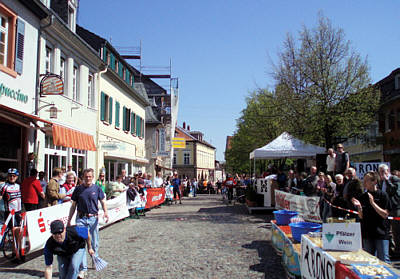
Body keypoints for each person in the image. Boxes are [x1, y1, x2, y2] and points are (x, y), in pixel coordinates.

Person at [67, 168, 109, 278]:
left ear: (93, 177)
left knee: (94, 242)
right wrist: (69, 219)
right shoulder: (78, 189)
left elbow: (103, 201)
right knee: (81, 242)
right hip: (81, 219)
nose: (88, 178)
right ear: (83, 177)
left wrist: (105, 212)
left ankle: (95, 259)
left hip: (93, 219)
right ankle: (83, 268)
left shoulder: (97, 188)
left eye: (90, 176)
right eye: (86, 177)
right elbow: (73, 205)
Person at [352, 171, 392, 263]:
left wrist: (373, 203)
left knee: (383, 260)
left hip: (381, 233)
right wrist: (359, 207)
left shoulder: (383, 195)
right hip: (367, 232)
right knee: (367, 260)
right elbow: (361, 216)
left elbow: (385, 214)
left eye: (366, 180)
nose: (364, 183)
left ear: (374, 182)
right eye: (364, 180)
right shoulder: (363, 197)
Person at [0, 168, 23, 261]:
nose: (12, 177)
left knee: (19, 232)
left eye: (14, 176)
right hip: (9, 212)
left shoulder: (18, 186)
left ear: (17, 177)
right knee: (14, 232)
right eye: (10, 176)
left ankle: (17, 251)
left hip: (18, 212)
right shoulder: (4, 186)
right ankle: (16, 252)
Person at [378, 163, 400, 257]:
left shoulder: (394, 179)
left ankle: (398, 251)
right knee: (387, 230)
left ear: (388, 171)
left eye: (384, 171)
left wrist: (387, 181)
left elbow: (393, 191)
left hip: (395, 208)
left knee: (396, 231)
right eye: (380, 172)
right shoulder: (381, 182)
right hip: (386, 209)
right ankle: (391, 249)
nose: (382, 174)